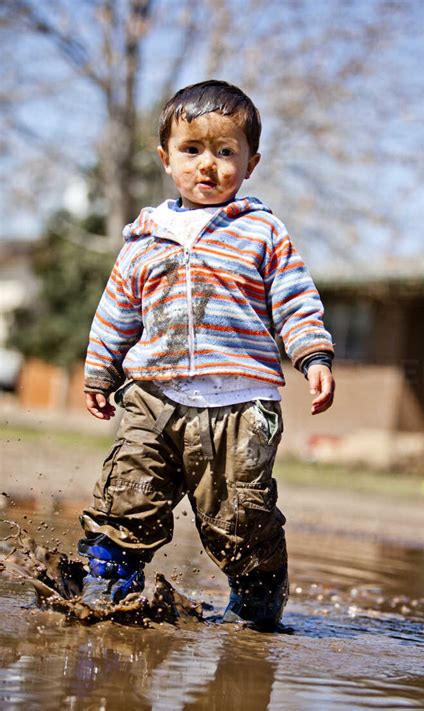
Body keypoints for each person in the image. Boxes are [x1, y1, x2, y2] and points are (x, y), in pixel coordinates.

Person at [78, 80, 335, 630]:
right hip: (153, 396)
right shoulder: (144, 239)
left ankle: (258, 597)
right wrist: (100, 369)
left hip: (241, 407)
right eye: (192, 150)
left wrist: (313, 356)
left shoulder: (262, 232)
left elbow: (294, 299)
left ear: (251, 163)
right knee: (129, 495)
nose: (208, 166)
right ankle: (105, 587)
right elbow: (117, 310)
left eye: (225, 152)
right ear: (165, 157)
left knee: (239, 518)